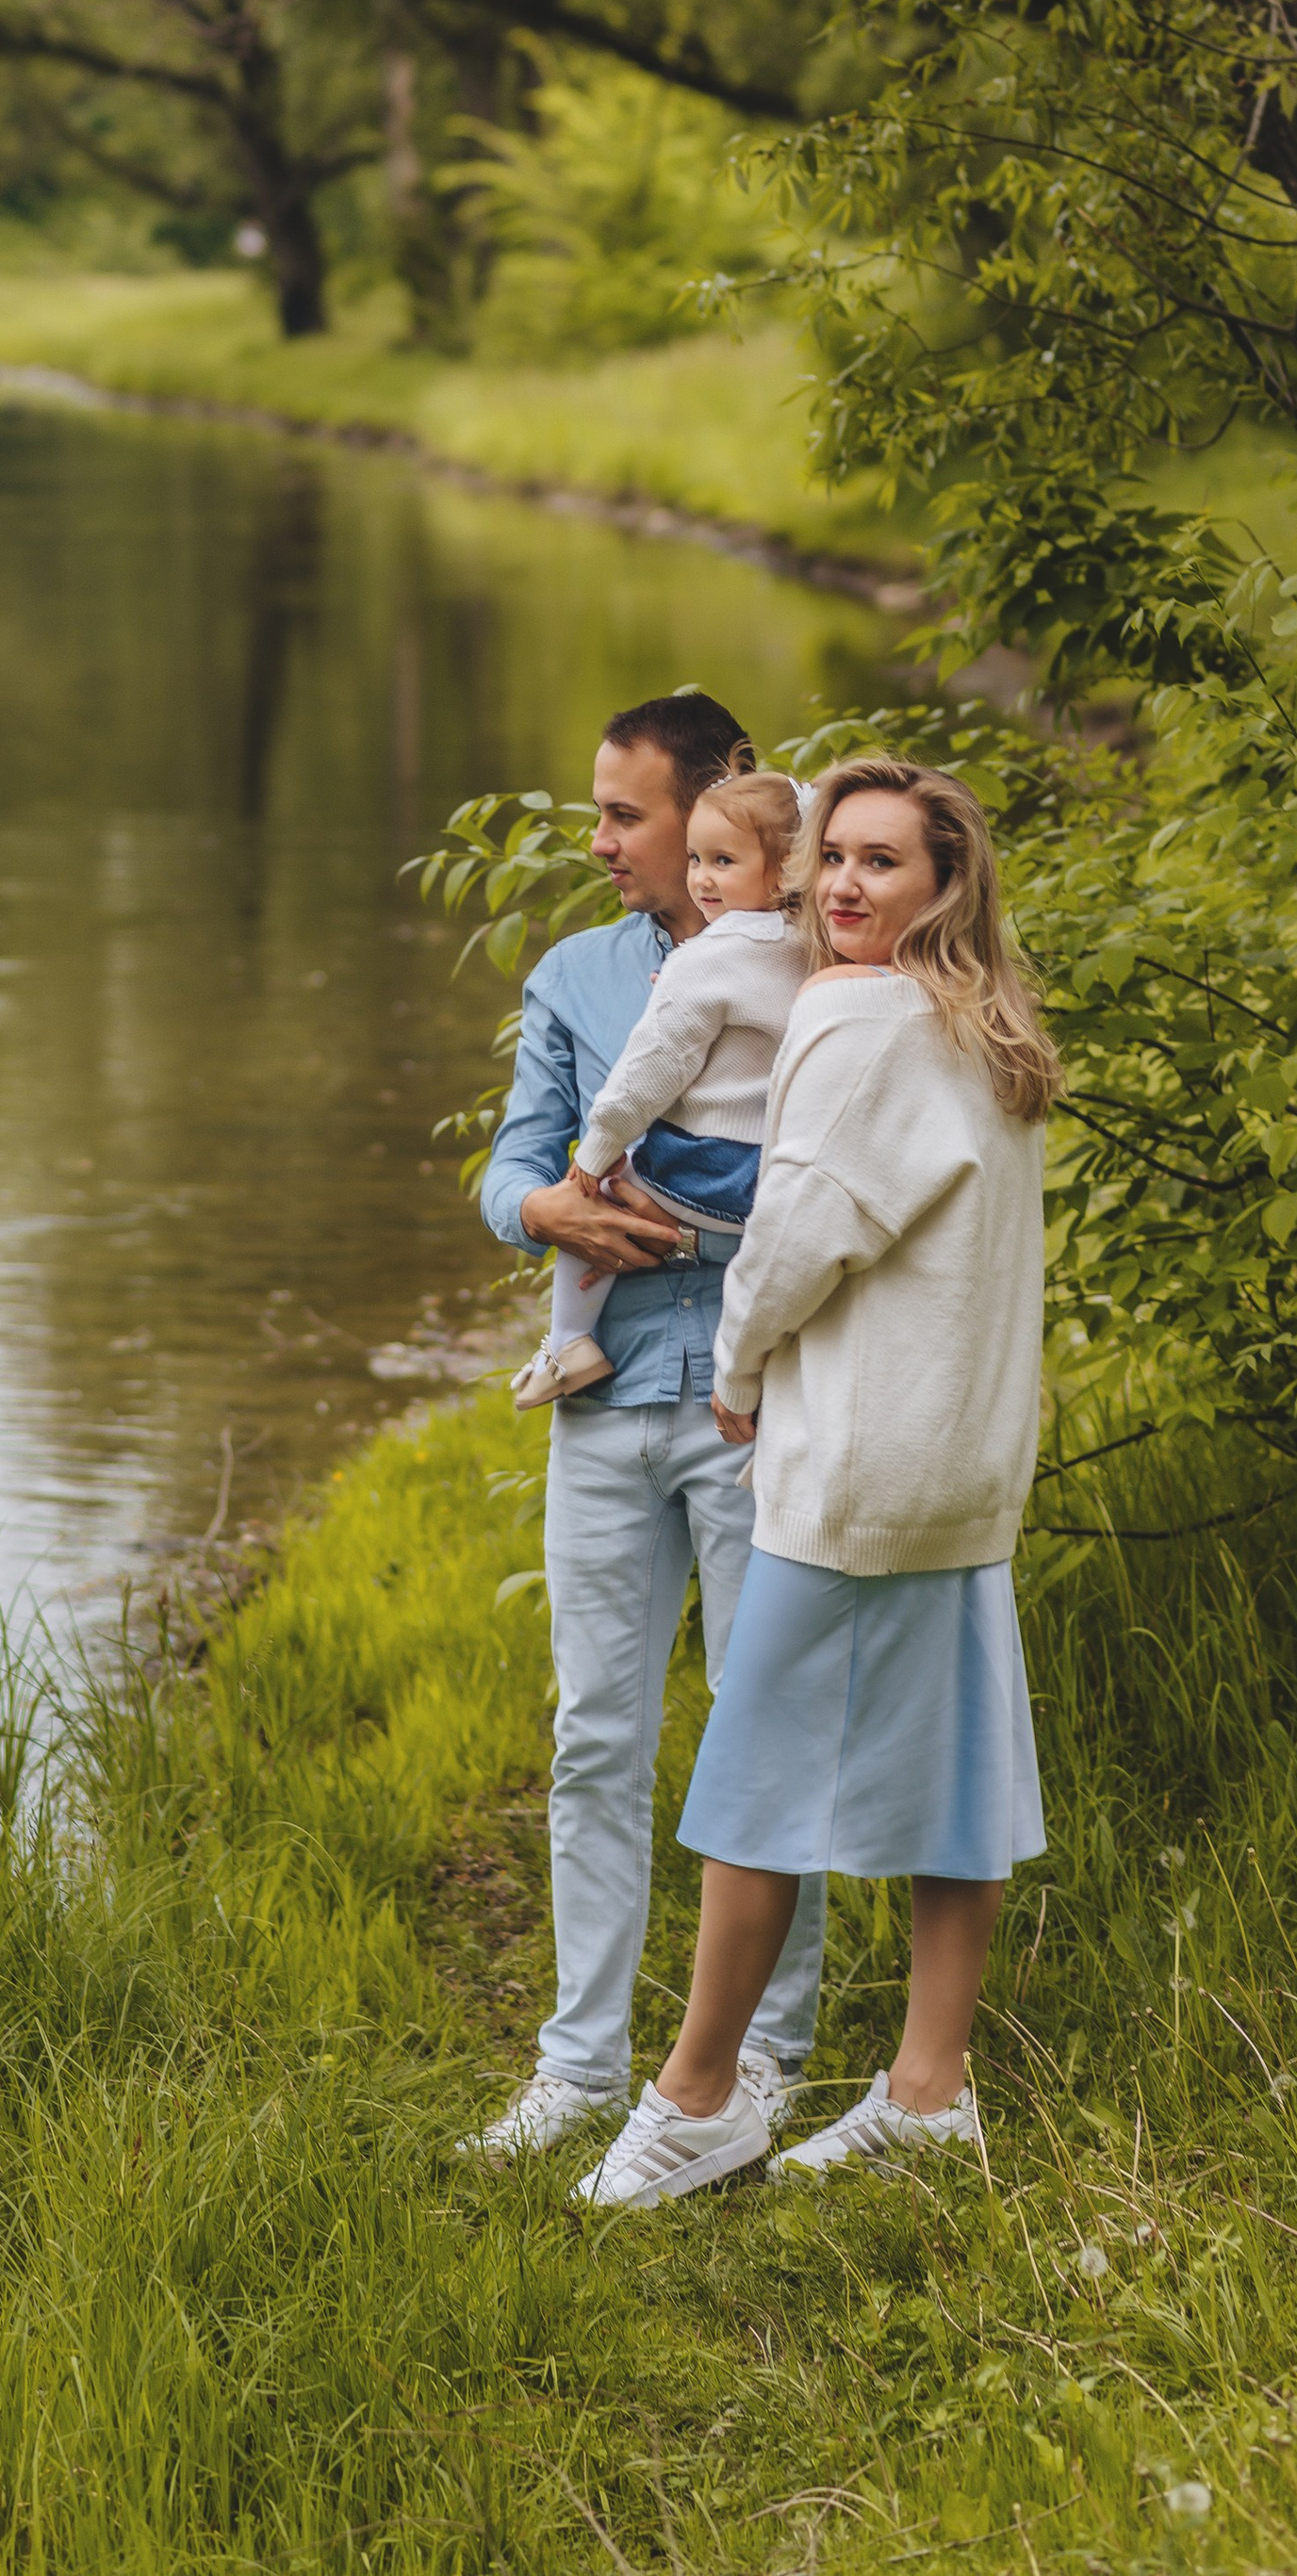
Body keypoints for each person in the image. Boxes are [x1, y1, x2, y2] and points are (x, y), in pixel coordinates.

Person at [573, 752, 1059, 2211]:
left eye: (881, 862)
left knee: (748, 1783)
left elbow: (797, 1235)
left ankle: (697, 2097)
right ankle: (929, 2085)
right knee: (958, 1771)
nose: (841, 885)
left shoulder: (857, 1020)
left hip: (855, 1466)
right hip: (961, 1461)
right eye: (831, 857)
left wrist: (731, 1374)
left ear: (945, 885)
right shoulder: (989, 1030)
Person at [461, 697, 828, 2158]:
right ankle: (580, 2065)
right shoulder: (577, 972)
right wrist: (536, 1205)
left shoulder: (822, 961)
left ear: (718, 801)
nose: (599, 840)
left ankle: (765, 2056)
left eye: (625, 814)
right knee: (596, 1731)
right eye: (595, 813)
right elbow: (516, 1154)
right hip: (605, 1402)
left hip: (763, 1401)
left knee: (764, 1726)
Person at [517, 769, 810, 1409]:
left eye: (723, 861)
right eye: (699, 860)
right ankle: (752, 1368)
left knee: (596, 1198)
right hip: (772, 1179)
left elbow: (648, 1073)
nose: (703, 877)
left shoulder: (707, 957)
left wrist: (593, 1157)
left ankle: (568, 1343)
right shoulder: (814, 946)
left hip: (705, 1170)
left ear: (786, 866)